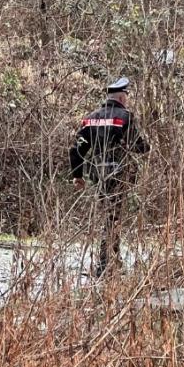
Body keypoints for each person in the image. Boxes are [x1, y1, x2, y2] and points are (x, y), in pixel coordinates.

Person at [69, 77, 149, 277]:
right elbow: (138, 145)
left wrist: (77, 175)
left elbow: (77, 148)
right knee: (113, 217)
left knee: (110, 215)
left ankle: (113, 260)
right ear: (122, 97)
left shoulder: (91, 118)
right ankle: (104, 264)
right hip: (118, 172)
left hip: (97, 174)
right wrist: (147, 148)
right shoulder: (125, 117)